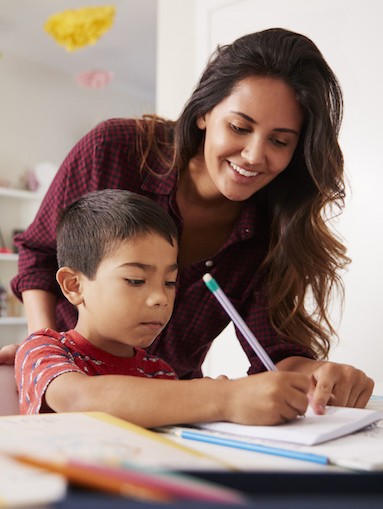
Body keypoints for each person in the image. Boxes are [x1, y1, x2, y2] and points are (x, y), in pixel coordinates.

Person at [5, 28, 373, 415]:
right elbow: (40, 255)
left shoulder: (272, 228)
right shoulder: (114, 149)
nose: (252, 155)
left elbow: (274, 352)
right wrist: (44, 347)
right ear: (203, 112)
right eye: (239, 127)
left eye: (279, 141)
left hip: (173, 411)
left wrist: (318, 375)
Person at [15, 188, 311, 427]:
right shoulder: (44, 350)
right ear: (73, 285)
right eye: (135, 280)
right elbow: (81, 399)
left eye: (170, 282)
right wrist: (223, 397)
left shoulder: (157, 372)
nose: (160, 298)